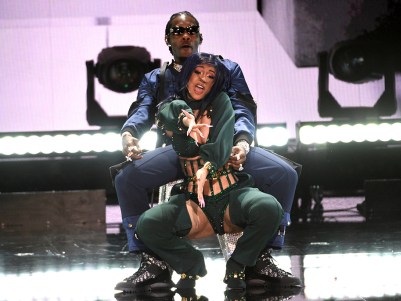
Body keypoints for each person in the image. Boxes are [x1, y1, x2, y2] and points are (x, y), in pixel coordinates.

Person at [114, 11, 301, 293]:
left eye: (191, 29)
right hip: (180, 153)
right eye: (178, 31)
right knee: (127, 178)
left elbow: (242, 108)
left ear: (200, 37)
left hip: (225, 147)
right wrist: (129, 135)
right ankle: (153, 262)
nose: (185, 34)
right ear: (168, 39)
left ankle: (259, 258)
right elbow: (143, 110)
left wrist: (241, 142)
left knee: (284, 173)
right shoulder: (157, 78)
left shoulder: (226, 69)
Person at [136, 52, 284, 294]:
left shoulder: (223, 103)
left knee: (269, 207)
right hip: (194, 204)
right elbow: (170, 114)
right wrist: (188, 125)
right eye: (197, 72)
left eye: (210, 76)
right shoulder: (172, 106)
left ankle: (238, 264)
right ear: (187, 74)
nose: (202, 79)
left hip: (230, 196)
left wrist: (207, 166)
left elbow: (221, 147)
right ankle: (190, 264)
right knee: (147, 224)